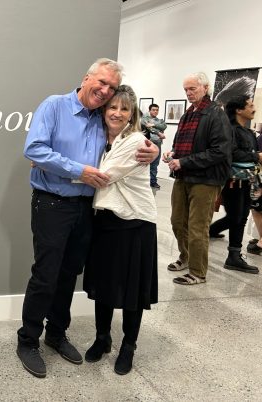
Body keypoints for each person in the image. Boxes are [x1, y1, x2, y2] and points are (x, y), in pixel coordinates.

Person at [17, 58, 159, 378]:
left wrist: (156, 152)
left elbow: (132, 143)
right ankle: (28, 340)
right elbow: (34, 149)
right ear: (86, 79)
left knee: (69, 275)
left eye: (111, 87)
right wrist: (75, 170)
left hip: (86, 210)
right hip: (52, 205)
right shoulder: (54, 106)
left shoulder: (103, 118)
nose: (106, 91)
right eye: (102, 83)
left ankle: (56, 333)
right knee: (46, 274)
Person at [83, 85, 158, 376]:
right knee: (103, 286)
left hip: (135, 224)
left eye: (124, 109)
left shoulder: (137, 141)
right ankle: (103, 338)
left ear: (132, 114)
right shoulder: (100, 140)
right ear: (104, 110)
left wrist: (53, 168)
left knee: (131, 290)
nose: (117, 113)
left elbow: (102, 177)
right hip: (105, 221)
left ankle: (129, 345)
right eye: (112, 107)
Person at [164, 72, 232, 285]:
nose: (188, 93)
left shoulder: (215, 114)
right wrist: (172, 154)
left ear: (205, 88)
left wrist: (184, 162)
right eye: (185, 89)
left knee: (197, 227)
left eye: (192, 88)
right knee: (177, 222)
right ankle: (185, 257)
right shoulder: (188, 114)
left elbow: (220, 151)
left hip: (205, 179)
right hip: (183, 177)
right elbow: (180, 144)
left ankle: (197, 272)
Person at [208, 96, 260, 273]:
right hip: (233, 180)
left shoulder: (248, 132)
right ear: (239, 110)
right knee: (236, 216)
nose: (254, 108)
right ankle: (233, 256)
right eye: (250, 105)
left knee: (241, 215)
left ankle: (231, 251)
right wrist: (256, 156)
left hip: (247, 180)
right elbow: (232, 154)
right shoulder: (229, 130)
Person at [141, 103, 167, 189]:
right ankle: (143, 182)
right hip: (147, 144)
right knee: (145, 163)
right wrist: (158, 132)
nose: (155, 111)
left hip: (158, 145)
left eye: (157, 110)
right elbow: (148, 127)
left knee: (155, 164)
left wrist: (154, 125)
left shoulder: (159, 120)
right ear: (149, 110)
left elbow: (164, 126)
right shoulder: (145, 118)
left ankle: (153, 181)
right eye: (153, 110)